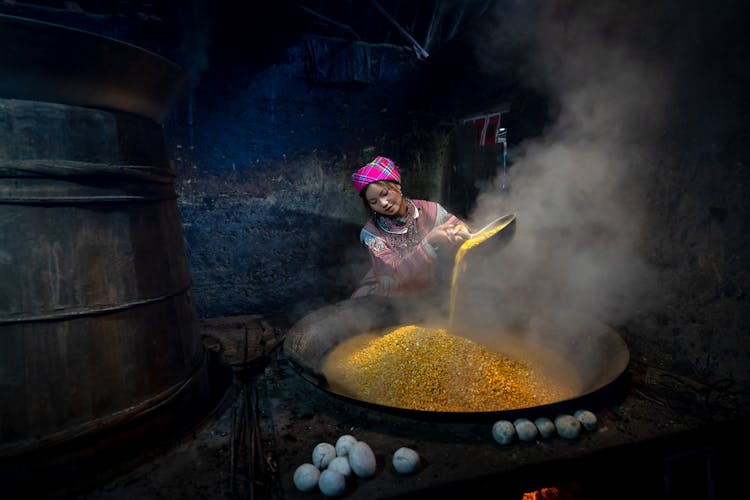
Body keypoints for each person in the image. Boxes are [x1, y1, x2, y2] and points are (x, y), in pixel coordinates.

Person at [350, 155, 470, 298]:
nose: (383, 203)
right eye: (374, 201)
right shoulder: (371, 233)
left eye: (385, 194)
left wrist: (460, 230)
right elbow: (393, 274)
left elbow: (458, 226)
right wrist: (429, 243)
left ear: (398, 187)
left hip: (426, 292)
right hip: (385, 297)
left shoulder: (432, 210)